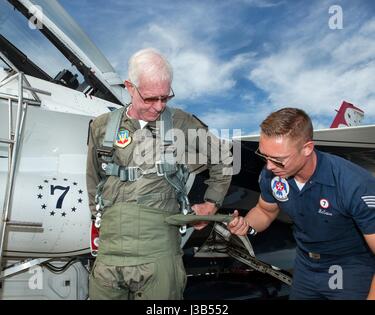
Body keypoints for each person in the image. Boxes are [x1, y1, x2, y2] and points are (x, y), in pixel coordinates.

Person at [86, 48, 232, 300]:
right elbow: (93, 178)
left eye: (165, 98)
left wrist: (211, 203)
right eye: (151, 99)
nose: (159, 106)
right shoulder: (101, 127)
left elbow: (224, 158)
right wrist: (101, 220)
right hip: (109, 255)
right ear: (130, 87)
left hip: (158, 254)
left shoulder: (181, 123)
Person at [228, 107, 375, 300]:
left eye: (278, 160)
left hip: (347, 268)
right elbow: (264, 211)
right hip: (306, 266)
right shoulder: (271, 175)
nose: (269, 166)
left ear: (307, 148)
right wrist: (246, 225)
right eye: (264, 156)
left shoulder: (354, 185)